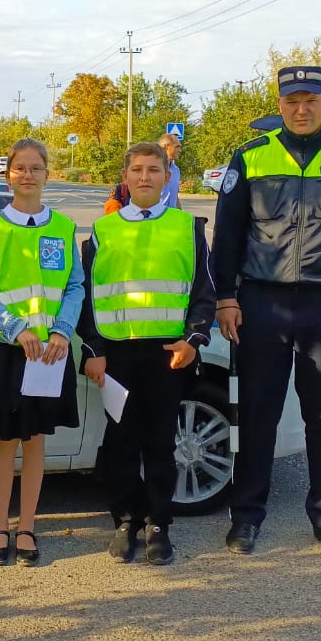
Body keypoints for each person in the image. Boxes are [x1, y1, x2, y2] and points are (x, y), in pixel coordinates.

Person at [210, 66, 321, 561]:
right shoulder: (250, 158)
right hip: (260, 304)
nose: (302, 109)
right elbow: (227, 235)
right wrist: (226, 297)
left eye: (311, 100)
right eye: (292, 101)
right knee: (257, 415)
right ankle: (246, 517)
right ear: (280, 103)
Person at [77, 141, 216, 565]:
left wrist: (193, 341)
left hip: (166, 354)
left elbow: (203, 292)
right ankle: (125, 522)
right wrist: (93, 350)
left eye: (154, 170)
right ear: (125, 177)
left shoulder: (187, 228)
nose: (144, 177)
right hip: (115, 356)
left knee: (159, 442)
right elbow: (85, 297)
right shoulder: (103, 231)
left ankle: (159, 524)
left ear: (167, 177)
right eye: (136, 169)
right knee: (120, 444)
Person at [0, 138, 84, 566]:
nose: (28, 175)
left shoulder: (65, 228)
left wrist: (63, 331)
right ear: (8, 174)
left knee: (36, 440)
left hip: (50, 352)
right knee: (5, 439)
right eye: (20, 168)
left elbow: (74, 286)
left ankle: (28, 526)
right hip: (5, 349)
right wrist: (16, 328)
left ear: (47, 174)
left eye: (36, 168)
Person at [158, 132, 184, 209]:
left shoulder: (176, 171)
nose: (180, 150)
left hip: (171, 218)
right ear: (166, 147)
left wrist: (180, 216)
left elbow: (175, 197)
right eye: (177, 147)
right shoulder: (153, 170)